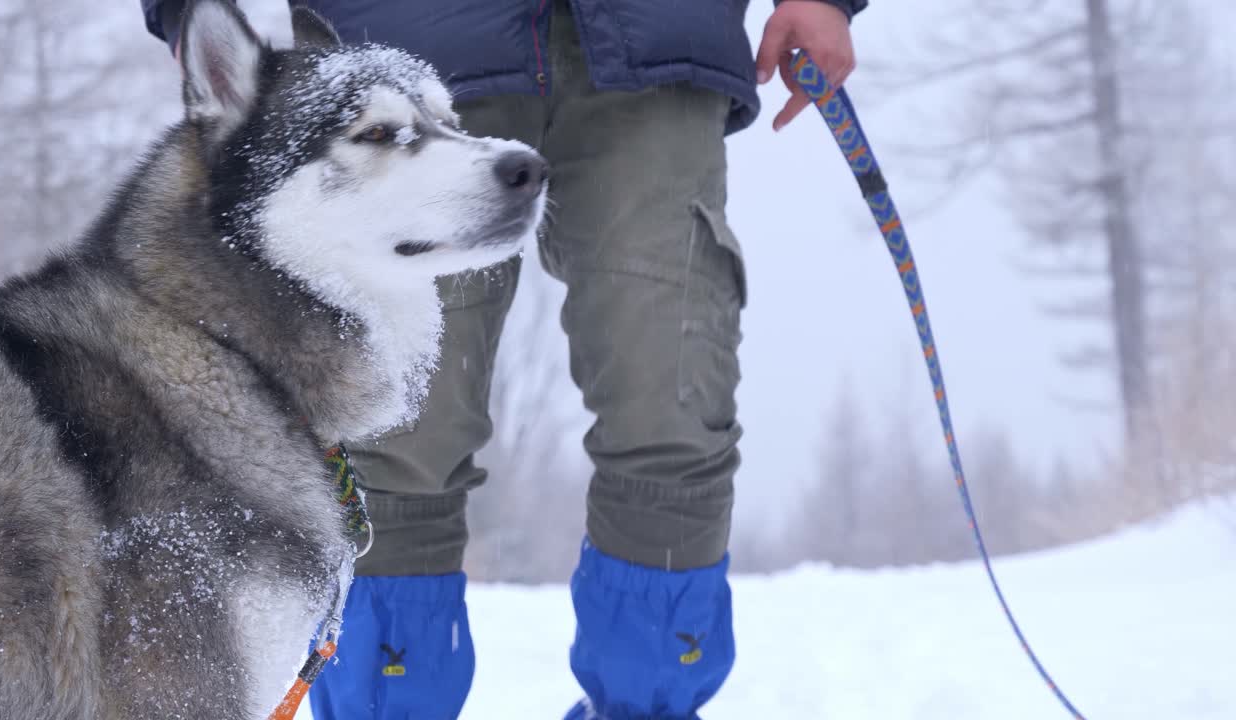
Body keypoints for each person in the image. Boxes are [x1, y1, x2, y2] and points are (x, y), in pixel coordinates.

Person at [139, 0, 864, 717]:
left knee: (671, 400)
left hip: (655, 42)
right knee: (398, 437)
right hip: (406, 30)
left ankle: (650, 708)